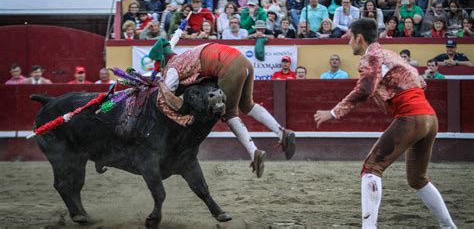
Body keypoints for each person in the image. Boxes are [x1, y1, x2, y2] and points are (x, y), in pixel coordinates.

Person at [314, 18, 457, 229]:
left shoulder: (370, 57)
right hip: (429, 118)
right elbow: (421, 82)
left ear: (359, 38)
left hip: (411, 117)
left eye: (349, 38)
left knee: (371, 168)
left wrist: (334, 113)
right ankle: (449, 226)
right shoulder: (391, 55)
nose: (348, 42)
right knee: (417, 179)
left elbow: (365, 89)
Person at [150, 39, 296, 178]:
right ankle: (281, 132)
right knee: (247, 105)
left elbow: (167, 95)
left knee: (229, 114)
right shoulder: (185, 56)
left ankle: (254, 152)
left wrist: (161, 83)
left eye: (160, 68)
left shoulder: (172, 70)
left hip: (228, 67)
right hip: (243, 61)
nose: (161, 70)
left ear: (163, 63)